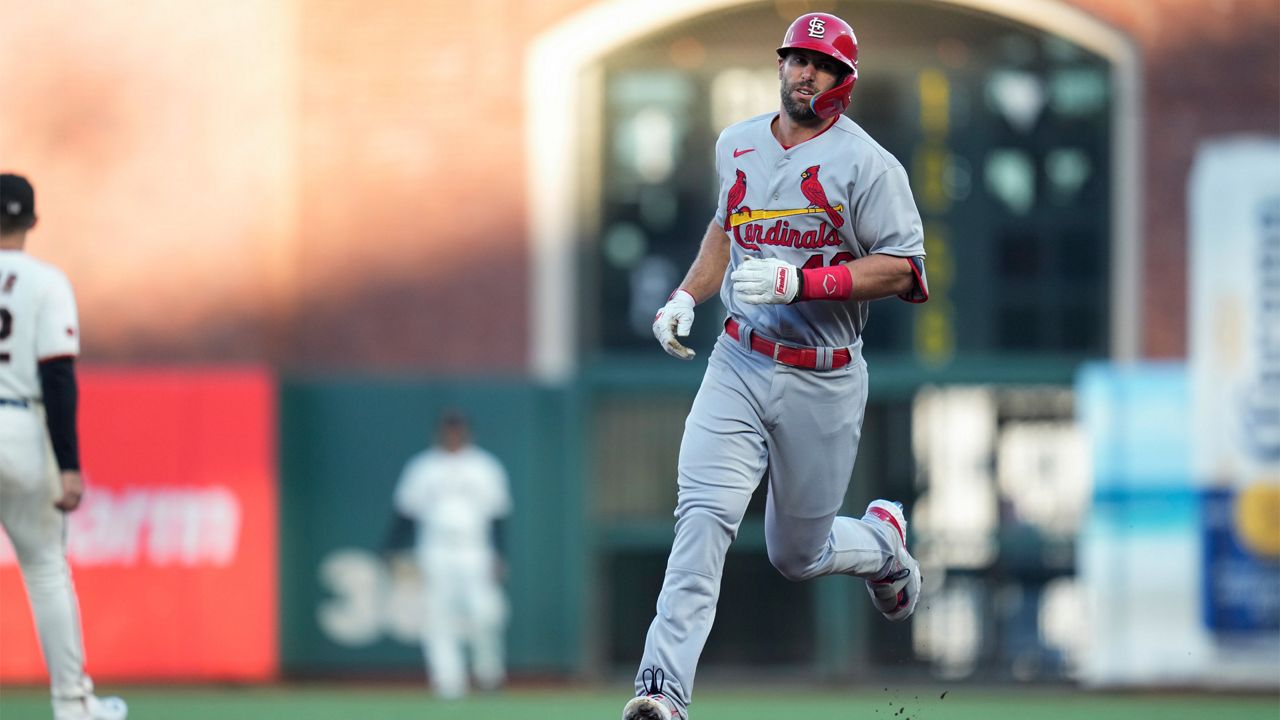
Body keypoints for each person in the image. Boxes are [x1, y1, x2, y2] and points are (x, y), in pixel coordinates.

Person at [623, 13, 930, 720]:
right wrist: (685, 293)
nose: (804, 72)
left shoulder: (869, 164)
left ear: (843, 81)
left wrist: (805, 283)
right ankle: (661, 691)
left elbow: (907, 273)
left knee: (798, 553)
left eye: (820, 64)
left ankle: (882, 544)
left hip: (822, 373)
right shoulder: (737, 144)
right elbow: (726, 230)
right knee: (702, 518)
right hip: (738, 357)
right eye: (796, 58)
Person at [0, 173, 127, 720]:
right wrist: (69, 465)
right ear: (32, 222)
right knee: (47, 569)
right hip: (23, 424)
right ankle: (72, 705)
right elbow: (58, 376)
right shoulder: (47, 282)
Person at [392, 410, 511, 699]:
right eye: (448, 430)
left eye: (458, 430)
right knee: (436, 617)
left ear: (468, 433)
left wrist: (500, 554)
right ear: (440, 433)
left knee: (486, 613)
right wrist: (393, 550)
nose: (453, 435)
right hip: (434, 549)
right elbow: (405, 514)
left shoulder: (485, 467)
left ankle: (489, 674)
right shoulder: (423, 467)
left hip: (475, 549)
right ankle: (448, 683)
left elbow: (498, 516)